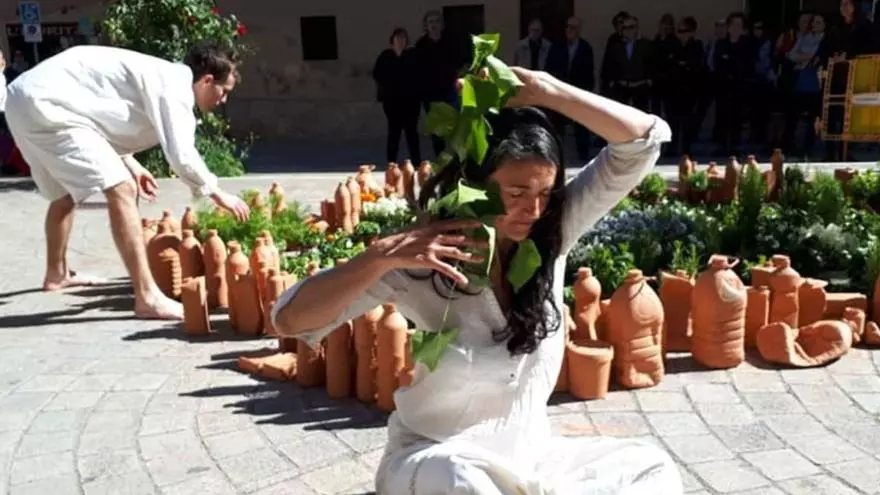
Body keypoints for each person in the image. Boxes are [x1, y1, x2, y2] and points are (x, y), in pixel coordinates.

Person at [272, 66, 681, 493]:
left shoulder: (551, 235)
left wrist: (549, 91)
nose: (534, 210)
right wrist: (380, 257)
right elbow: (290, 319)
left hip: (530, 462)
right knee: (465, 482)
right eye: (516, 194)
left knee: (649, 467)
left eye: (544, 194)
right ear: (476, 184)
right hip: (437, 458)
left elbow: (644, 141)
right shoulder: (425, 258)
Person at [4, 41, 250, 320]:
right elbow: (182, 155)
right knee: (122, 189)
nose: (223, 100)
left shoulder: (157, 75)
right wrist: (217, 192)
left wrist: (131, 163)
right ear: (207, 80)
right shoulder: (175, 87)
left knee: (64, 195)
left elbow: (98, 117)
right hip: (48, 104)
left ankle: (56, 273)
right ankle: (147, 297)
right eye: (224, 91)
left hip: (24, 99)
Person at [373, 28, 422, 165]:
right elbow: (377, 74)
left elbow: (419, 74)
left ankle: (416, 162)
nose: (400, 41)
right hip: (392, 101)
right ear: (392, 40)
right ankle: (391, 163)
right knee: (394, 132)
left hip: (410, 101)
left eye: (403, 38)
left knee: (412, 132)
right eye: (398, 38)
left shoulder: (412, 55)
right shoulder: (386, 56)